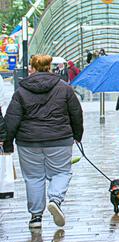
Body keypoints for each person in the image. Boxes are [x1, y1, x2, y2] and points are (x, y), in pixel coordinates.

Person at [4, 54, 84, 229]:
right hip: (60, 139)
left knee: (33, 177)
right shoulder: (65, 88)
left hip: (28, 141)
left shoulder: (21, 91)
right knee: (62, 172)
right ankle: (55, 199)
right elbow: (76, 114)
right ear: (49, 68)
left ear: (32, 68)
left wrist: (7, 142)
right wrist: (77, 135)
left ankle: (36, 217)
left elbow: (11, 119)